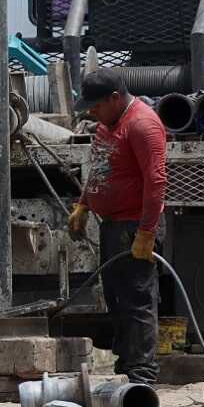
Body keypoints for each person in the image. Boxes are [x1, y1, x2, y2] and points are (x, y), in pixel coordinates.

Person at [67, 70, 167, 384]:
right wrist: (84, 203)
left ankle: (142, 374)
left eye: (95, 106)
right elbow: (100, 167)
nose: (90, 112)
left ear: (114, 98)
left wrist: (147, 232)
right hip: (113, 225)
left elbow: (156, 181)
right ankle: (127, 366)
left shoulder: (142, 125)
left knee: (136, 299)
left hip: (135, 225)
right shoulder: (107, 124)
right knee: (115, 298)